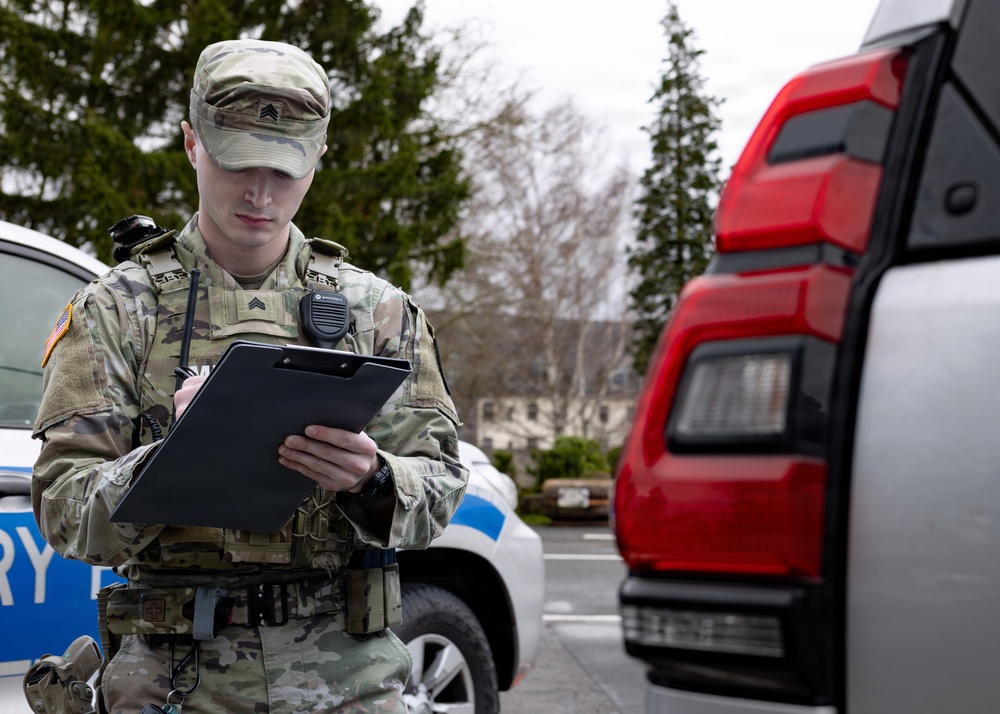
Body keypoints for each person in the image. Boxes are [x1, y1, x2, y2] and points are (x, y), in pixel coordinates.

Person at [31, 38, 468, 714]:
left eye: (285, 168)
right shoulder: (116, 311)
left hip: (346, 678)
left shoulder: (376, 311)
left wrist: (373, 478)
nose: (261, 193)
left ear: (318, 158)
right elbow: (64, 511)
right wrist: (174, 456)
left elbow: (439, 486)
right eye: (238, 162)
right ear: (192, 143)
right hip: (174, 679)